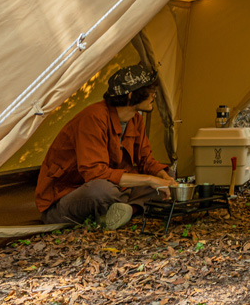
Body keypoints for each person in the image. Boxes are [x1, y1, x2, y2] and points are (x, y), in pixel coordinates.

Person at [35, 64, 177, 230]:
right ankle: (125, 207)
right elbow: (94, 173)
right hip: (69, 196)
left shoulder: (135, 119)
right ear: (131, 96)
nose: (154, 95)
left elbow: (146, 160)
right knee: (101, 190)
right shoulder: (93, 118)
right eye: (149, 91)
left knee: (166, 180)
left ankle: (126, 210)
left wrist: (162, 177)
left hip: (116, 188)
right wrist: (150, 179)